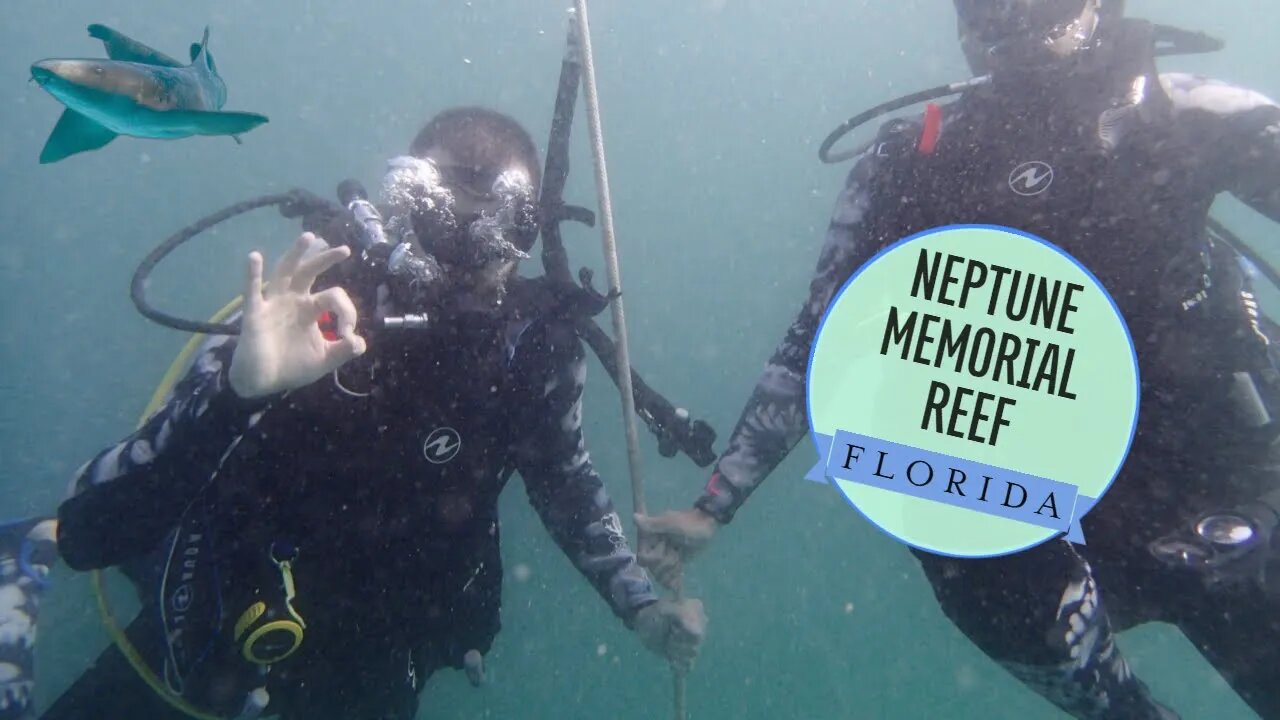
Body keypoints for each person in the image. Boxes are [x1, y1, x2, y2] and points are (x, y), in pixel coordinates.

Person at [636, 2, 1280, 718]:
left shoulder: (1180, 111)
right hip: (1057, 527)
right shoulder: (915, 161)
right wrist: (714, 507)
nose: (1015, 17)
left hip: (1236, 490)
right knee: (955, 521)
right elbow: (823, 338)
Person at [8, 106, 705, 720]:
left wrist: (641, 607)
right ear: (400, 214)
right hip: (208, 645)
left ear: (529, 237)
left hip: (374, 669)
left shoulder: (531, 358)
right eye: (436, 226)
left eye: (500, 234)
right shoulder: (313, 312)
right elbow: (91, 531)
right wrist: (237, 397)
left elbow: (567, 486)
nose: (469, 264)